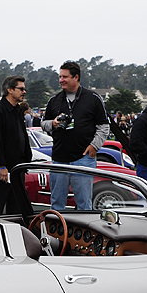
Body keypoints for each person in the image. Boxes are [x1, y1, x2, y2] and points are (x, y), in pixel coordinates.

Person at [41, 61, 109, 210]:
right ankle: (58, 232)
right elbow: (42, 124)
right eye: (60, 76)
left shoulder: (93, 98)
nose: (61, 80)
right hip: (59, 159)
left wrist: (94, 146)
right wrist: (53, 123)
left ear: (76, 77)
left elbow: (104, 126)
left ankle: (85, 233)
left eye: (65, 76)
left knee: (84, 204)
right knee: (57, 204)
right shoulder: (54, 100)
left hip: (83, 158)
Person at [0, 76, 31, 215]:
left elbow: (22, 136)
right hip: (2, 169)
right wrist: (1, 165)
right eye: (21, 89)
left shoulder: (18, 110)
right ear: (10, 90)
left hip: (18, 168)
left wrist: (26, 160)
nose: (24, 91)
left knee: (17, 209)